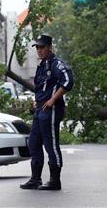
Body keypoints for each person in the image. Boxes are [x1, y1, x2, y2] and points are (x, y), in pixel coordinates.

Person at [20, 35, 74, 191]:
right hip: (40, 109)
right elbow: (42, 86)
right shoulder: (42, 65)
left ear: (50, 47)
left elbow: (68, 81)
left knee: (51, 145)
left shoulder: (57, 64)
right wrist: (37, 99)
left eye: (42, 47)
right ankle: (35, 179)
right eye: (37, 47)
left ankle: (55, 180)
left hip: (51, 110)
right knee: (34, 143)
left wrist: (52, 100)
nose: (39, 50)